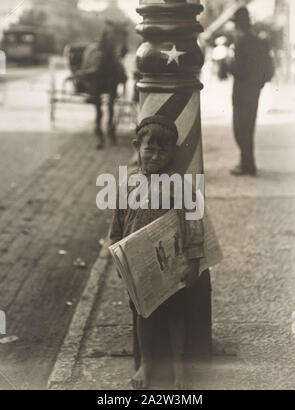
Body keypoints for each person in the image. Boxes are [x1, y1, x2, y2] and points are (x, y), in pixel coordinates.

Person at [109, 115, 207, 389]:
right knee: (144, 314)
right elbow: (117, 224)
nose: (155, 156)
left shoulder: (179, 185)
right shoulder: (127, 185)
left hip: (172, 263)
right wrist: (118, 258)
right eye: (149, 149)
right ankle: (146, 364)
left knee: (176, 315)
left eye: (163, 151)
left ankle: (178, 369)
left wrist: (194, 259)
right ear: (136, 146)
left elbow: (193, 223)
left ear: (172, 153)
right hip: (139, 267)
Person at [227, 7, 275, 176]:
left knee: (240, 128)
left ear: (239, 26)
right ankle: (247, 162)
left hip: (241, 91)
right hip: (254, 90)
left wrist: (229, 62)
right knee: (248, 127)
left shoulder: (242, 43)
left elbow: (237, 69)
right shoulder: (260, 41)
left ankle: (247, 165)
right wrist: (259, 83)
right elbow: (268, 68)